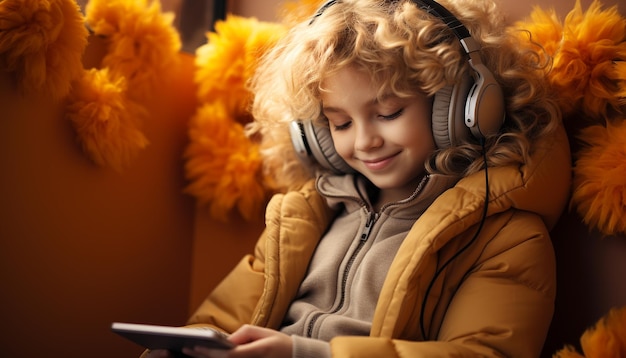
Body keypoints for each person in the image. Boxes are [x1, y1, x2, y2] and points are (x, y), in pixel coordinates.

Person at [146, 0, 571, 357]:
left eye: (387, 114)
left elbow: (482, 354)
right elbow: (216, 321)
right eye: (340, 123)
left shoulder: (507, 237)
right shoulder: (305, 218)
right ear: (313, 134)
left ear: (463, 108)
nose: (364, 141)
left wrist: (309, 354)